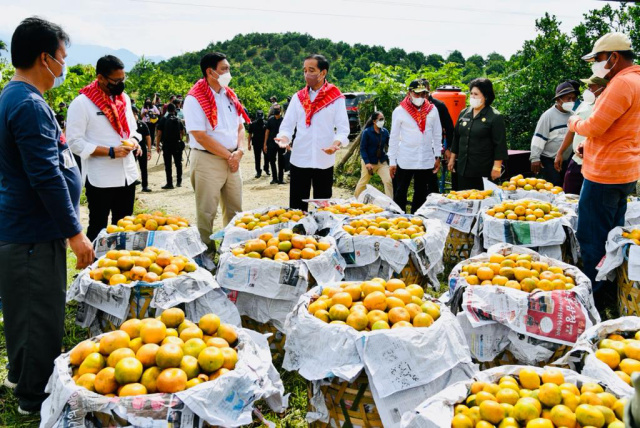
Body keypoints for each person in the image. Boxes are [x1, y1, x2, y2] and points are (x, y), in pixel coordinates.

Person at [0, 16, 94, 415]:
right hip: (32, 233)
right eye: (62, 57)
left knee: (27, 310)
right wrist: (75, 232)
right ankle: (33, 397)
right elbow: (45, 176)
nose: (63, 65)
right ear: (45, 58)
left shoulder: (18, 97)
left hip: (29, 229)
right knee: (38, 313)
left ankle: (22, 375)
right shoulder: (27, 105)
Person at [568, 32, 640, 298]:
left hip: (605, 174)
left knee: (592, 236)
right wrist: (591, 145)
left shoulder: (621, 83)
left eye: (597, 59)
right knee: (612, 235)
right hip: (625, 171)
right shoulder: (636, 80)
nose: (595, 65)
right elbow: (622, 128)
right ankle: (611, 287)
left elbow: (594, 125)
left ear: (614, 57)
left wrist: (574, 123)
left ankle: (595, 295)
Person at [67, 55, 142, 242]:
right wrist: (110, 151)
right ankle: (93, 260)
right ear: (100, 78)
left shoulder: (123, 99)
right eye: (116, 81)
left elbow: (133, 130)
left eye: (123, 80)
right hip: (101, 178)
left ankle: (121, 258)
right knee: (98, 226)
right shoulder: (82, 103)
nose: (120, 85)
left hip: (127, 174)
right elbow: (74, 142)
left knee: (125, 226)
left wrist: (134, 141)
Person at [183, 52, 249, 249]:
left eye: (228, 68)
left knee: (235, 210)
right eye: (224, 69)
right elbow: (200, 136)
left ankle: (231, 249)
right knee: (207, 211)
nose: (228, 72)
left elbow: (240, 126)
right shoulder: (195, 99)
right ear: (210, 72)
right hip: (208, 159)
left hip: (232, 158)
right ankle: (206, 253)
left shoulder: (229, 95)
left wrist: (240, 151)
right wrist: (230, 156)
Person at [275, 54, 349, 211]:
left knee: (322, 208)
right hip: (300, 159)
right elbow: (287, 126)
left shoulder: (335, 98)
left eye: (311, 70)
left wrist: (335, 144)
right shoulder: (298, 98)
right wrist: (284, 138)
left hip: (324, 160)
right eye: (305, 70)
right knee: (297, 208)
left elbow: (343, 129)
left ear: (323, 73)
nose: (307, 74)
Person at [389, 79, 442, 213]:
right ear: (409, 93)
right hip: (406, 158)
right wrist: (392, 161)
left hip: (425, 158)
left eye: (423, 94)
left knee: (421, 192)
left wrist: (438, 155)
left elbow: (437, 134)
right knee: (400, 191)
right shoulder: (400, 111)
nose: (420, 97)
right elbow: (394, 137)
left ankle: (417, 218)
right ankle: (399, 218)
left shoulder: (432, 110)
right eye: (417, 94)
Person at [448, 78, 508, 191]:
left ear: (486, 96)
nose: (472, 97)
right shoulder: (464, 113)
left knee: (482, 198)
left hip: (483, 169)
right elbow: (457, 137)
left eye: (476, 94)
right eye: (471, 93)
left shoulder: (495, 117)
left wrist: (497, 167)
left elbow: (500, 144)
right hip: (463, 168)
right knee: (463, 197)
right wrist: (452, 159)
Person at [554, 76, 608, 194]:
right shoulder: (584, 105)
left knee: (590, 198)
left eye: (590, 87)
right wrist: (560, 152)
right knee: (569, 195)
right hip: (577, 160)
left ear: (602, 88)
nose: (587, 90)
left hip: (594, 163)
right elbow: (571, 130)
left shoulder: (605, 108)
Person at [529, 81, 580, 186]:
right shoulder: (548, 116)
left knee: (566, 185)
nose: (571, 101)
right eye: (568, 98)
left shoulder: (573, 115)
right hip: (549, 159)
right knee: (555, 184)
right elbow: (538, 138)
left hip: (566, 158)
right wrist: (535, 158)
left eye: (573, 98)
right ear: (558, 99)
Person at [422, 79, 454, 194]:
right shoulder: (412, 106)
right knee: (419, 179)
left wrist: (448, 148)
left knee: (431, 177)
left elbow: (449, 128)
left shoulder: (438, 106)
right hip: (416, 148)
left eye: (424, 92)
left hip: (432, 147)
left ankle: (433, 199)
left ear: (429, 89)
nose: (422, 95)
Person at [354, 111, 393, 198]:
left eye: (383, 119)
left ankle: (391, 203)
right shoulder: (367, 132)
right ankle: (355, 199)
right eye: (380, 119)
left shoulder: (385, 132)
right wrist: (367, 162)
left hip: (381, 161)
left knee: (388, 181)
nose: (382, 121)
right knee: (363, 182)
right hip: (369, 162)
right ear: (374, 121)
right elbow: (363, 149)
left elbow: (391, 144)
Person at [156, 102, 185, 189]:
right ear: (174, 110)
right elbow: (182, 132)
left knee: (168, 165)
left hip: (167, 145)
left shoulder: (163, 120)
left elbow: (159, 134)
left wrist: (157, 145)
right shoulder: (178, 120)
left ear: (167, 110)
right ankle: (179, 182)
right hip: (177, 144)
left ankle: (169, 183)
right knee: (178, 163)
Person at [131, 106, 152, 192]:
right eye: (133, 114)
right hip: (131, 149)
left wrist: (149, 150)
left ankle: (145, 186)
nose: (134, 116)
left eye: (135, 114)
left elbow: (148, 137)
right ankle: (132, 185)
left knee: (143, 167)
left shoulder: (142, 124)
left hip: (142, 148)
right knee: (131, 167)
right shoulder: (127, 125)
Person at [265, 104, 285, 184]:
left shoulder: (284, 120)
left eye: (278, 109)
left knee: (281, 161)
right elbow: (267, 132)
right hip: (271, 143)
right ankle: (274, 178)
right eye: (275, 109)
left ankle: (281, 179)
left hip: (281, 143)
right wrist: (265, 144)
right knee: (272, 161)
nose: (276, 111)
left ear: (280, 110)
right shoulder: (270, 120)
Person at [247, 110, 269, 178]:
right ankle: (258, 171)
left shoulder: (266, 123)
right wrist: (248, 144)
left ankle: (266, 168)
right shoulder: (252, 124)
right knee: (257, 158)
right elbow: (250, 134)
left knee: (267, 157)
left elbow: (268, 133)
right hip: (256, 143)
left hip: (264, 143)